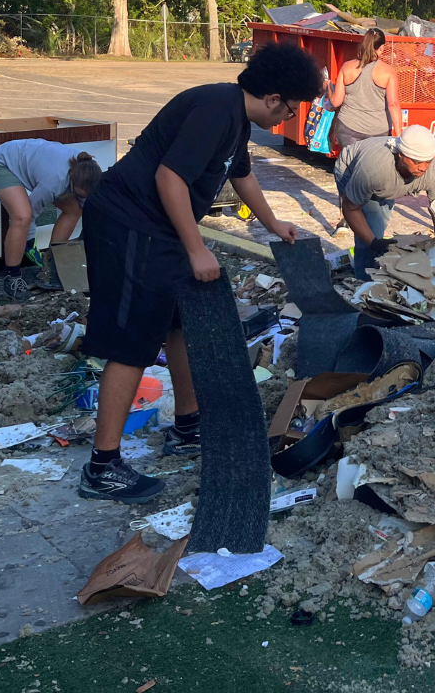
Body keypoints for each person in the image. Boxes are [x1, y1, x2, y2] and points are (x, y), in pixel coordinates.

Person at [78, 42, 322, 503]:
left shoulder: (237, 119)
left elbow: (241, 174)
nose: (287, 119)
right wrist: (196, 249)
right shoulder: (214, 109)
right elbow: (168, 178)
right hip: (130, 224)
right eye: (291, 109)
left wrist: (272, 224)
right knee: (133, 342)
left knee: (182, 323)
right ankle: (102, 466)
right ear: (273, 98)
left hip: (161, 227)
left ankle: (187, 426)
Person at [0, 140, 102, 301]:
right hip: (1, 163)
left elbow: (87, 205)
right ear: (74, 183)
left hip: (35, 164)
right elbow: (31, 212)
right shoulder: (53, 182)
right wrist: (29, 243)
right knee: (22, 216)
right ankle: (13, 278)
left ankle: (53, 262)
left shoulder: (90, 171)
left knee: (74, 210)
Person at [335, 124, 435, 279]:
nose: (423, 167)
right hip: (351, 168)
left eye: (427, 161)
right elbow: (350, 208)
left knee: (380, 221)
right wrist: (374, 243)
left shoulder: (434, 173)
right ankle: (364, 283)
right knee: (372, 230)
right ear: (401, 155)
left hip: (385, 183)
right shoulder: (374, 169)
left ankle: (377, 264)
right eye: (416, 162)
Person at [329, 28, 401, 151]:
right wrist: (400, 137)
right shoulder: (388, 72)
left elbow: (336, 102)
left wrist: (328, 87)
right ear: (382, 47)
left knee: (350, 165)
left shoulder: (347, 67)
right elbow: (393, 104)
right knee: (371, 168)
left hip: (348, 128)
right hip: (378, 132)